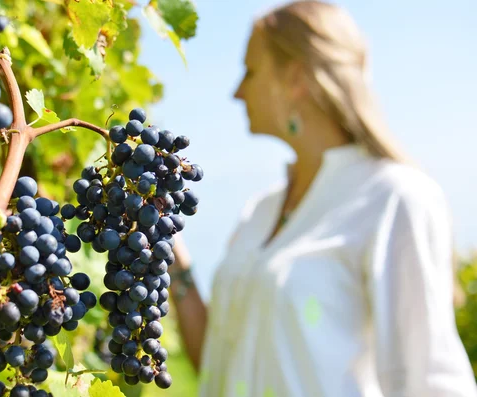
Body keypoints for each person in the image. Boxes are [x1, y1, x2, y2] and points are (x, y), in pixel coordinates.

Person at [168, 1, 477, 396]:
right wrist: (168, 250)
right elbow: (218, 363)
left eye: (251, 70)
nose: (238, 92)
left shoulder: (395, 199)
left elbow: (430, 383)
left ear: (295, 77)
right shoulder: (261, 211)